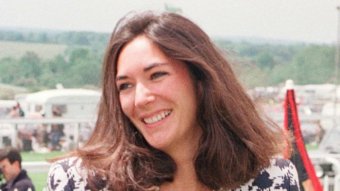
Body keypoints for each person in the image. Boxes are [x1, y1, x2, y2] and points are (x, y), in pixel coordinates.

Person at [47, 11, 301, 191]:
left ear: (201, 81)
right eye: (125, 86)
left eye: (157, 75)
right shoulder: (76, 182)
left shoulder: (272, 179)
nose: (141, 99)